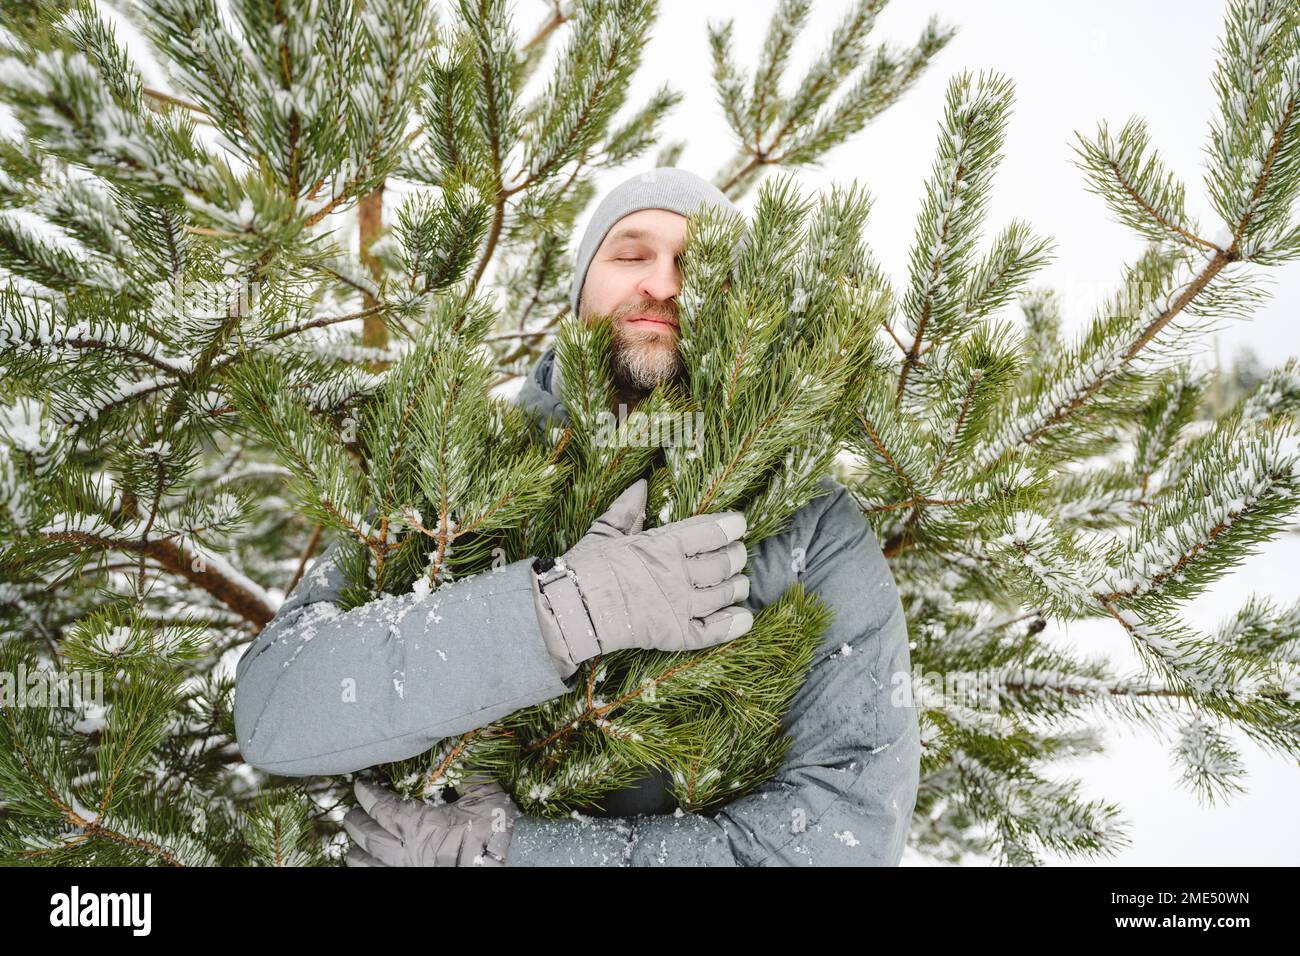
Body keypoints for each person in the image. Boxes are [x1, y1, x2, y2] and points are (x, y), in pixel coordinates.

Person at [233, 167, 921, 866]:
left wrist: (519, 856)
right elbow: (275, 707)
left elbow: (845, 838)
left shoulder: (813, 529)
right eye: (630, 254)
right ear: (579, 290)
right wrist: (561, 614)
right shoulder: (460, 466)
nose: (663, 283)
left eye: (696, 264)